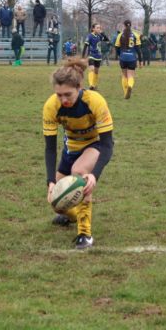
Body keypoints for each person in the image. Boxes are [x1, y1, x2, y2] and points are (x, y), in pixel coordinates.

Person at [43, 58, 114, 249]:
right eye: (59, 95)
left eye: (68, 94)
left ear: (79, 86)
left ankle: (85, 233)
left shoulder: (94, 101)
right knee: (56, 200)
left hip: (95, 145)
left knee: (79, 171)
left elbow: (108, 144)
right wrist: (50, 181)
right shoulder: (51, 106)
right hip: (71, 148)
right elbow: (50, 148)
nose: (63, 100)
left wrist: (94, 175)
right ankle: (72, 217)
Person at [115, 20, 142, 99]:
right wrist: (140, 61)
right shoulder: (135, 35)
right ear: (131, 25)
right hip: (132, 58)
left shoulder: (120, 35)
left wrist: (120, 55)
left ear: (124, 25)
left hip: (123, 57)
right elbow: (138, 50)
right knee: (130, 75)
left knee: (124, 75)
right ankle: (130, 86)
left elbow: (116, 47)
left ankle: (125, 92)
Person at [82, 23, 109, 89]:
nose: (99, 29)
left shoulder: (99, 36)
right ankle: (91, 85)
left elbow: (107, 39)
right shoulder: (90, 36)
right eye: (97, 28)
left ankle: (94, 85)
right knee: (92, 69)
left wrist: (102, 33)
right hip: (91, 55)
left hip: (98, 56)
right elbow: (85, 46)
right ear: (93, 29)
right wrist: (83, 57)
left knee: (96, 71)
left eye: (99, 28)